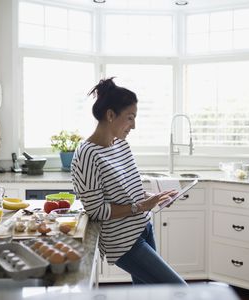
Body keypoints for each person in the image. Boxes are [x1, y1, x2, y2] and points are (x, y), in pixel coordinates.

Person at [71, 78, 186, 285]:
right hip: (123, 242)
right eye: (130, 118)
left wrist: (155, 199)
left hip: (144, 227)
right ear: (110, 115)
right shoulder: (87, 154)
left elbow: (130, 193)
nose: (134, 125)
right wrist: (141, 206)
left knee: (146, 294)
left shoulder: (121, 145)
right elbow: (96, 210)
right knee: (179, 290)